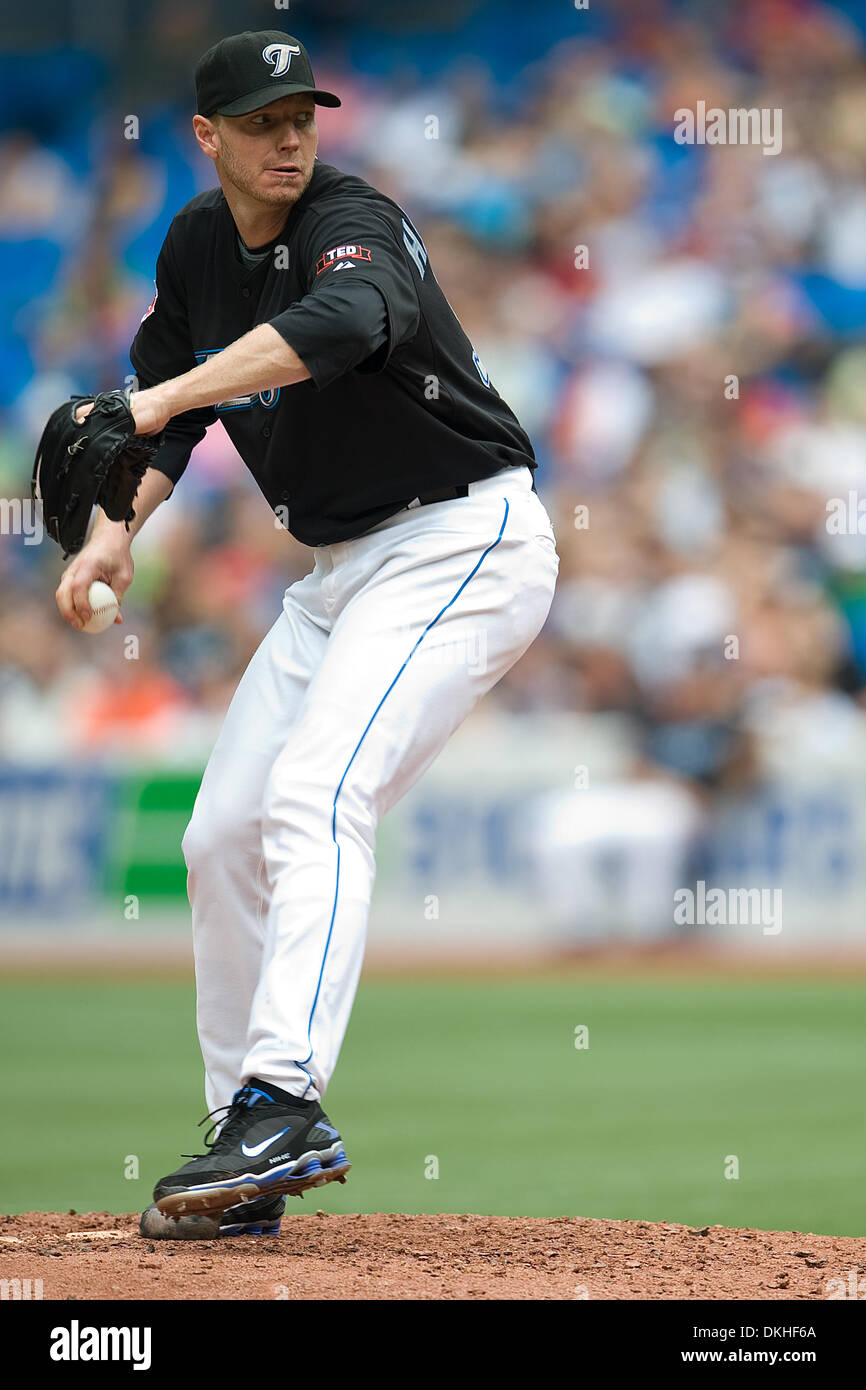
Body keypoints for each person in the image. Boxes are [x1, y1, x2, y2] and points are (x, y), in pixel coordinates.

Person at [55, 29, 559, 1239]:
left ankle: (286, 1096)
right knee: (220, 832)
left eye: (303, 114)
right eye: (264, 119)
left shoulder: (352, 218)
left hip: (459, 540)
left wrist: (160, 401)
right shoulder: (194, 247)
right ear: (207, 136)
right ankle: (244, 1154)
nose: (290, 136)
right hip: (337, 571)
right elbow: (169, 398)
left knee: (314, 789)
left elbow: (344, 322)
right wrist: (117, 527)